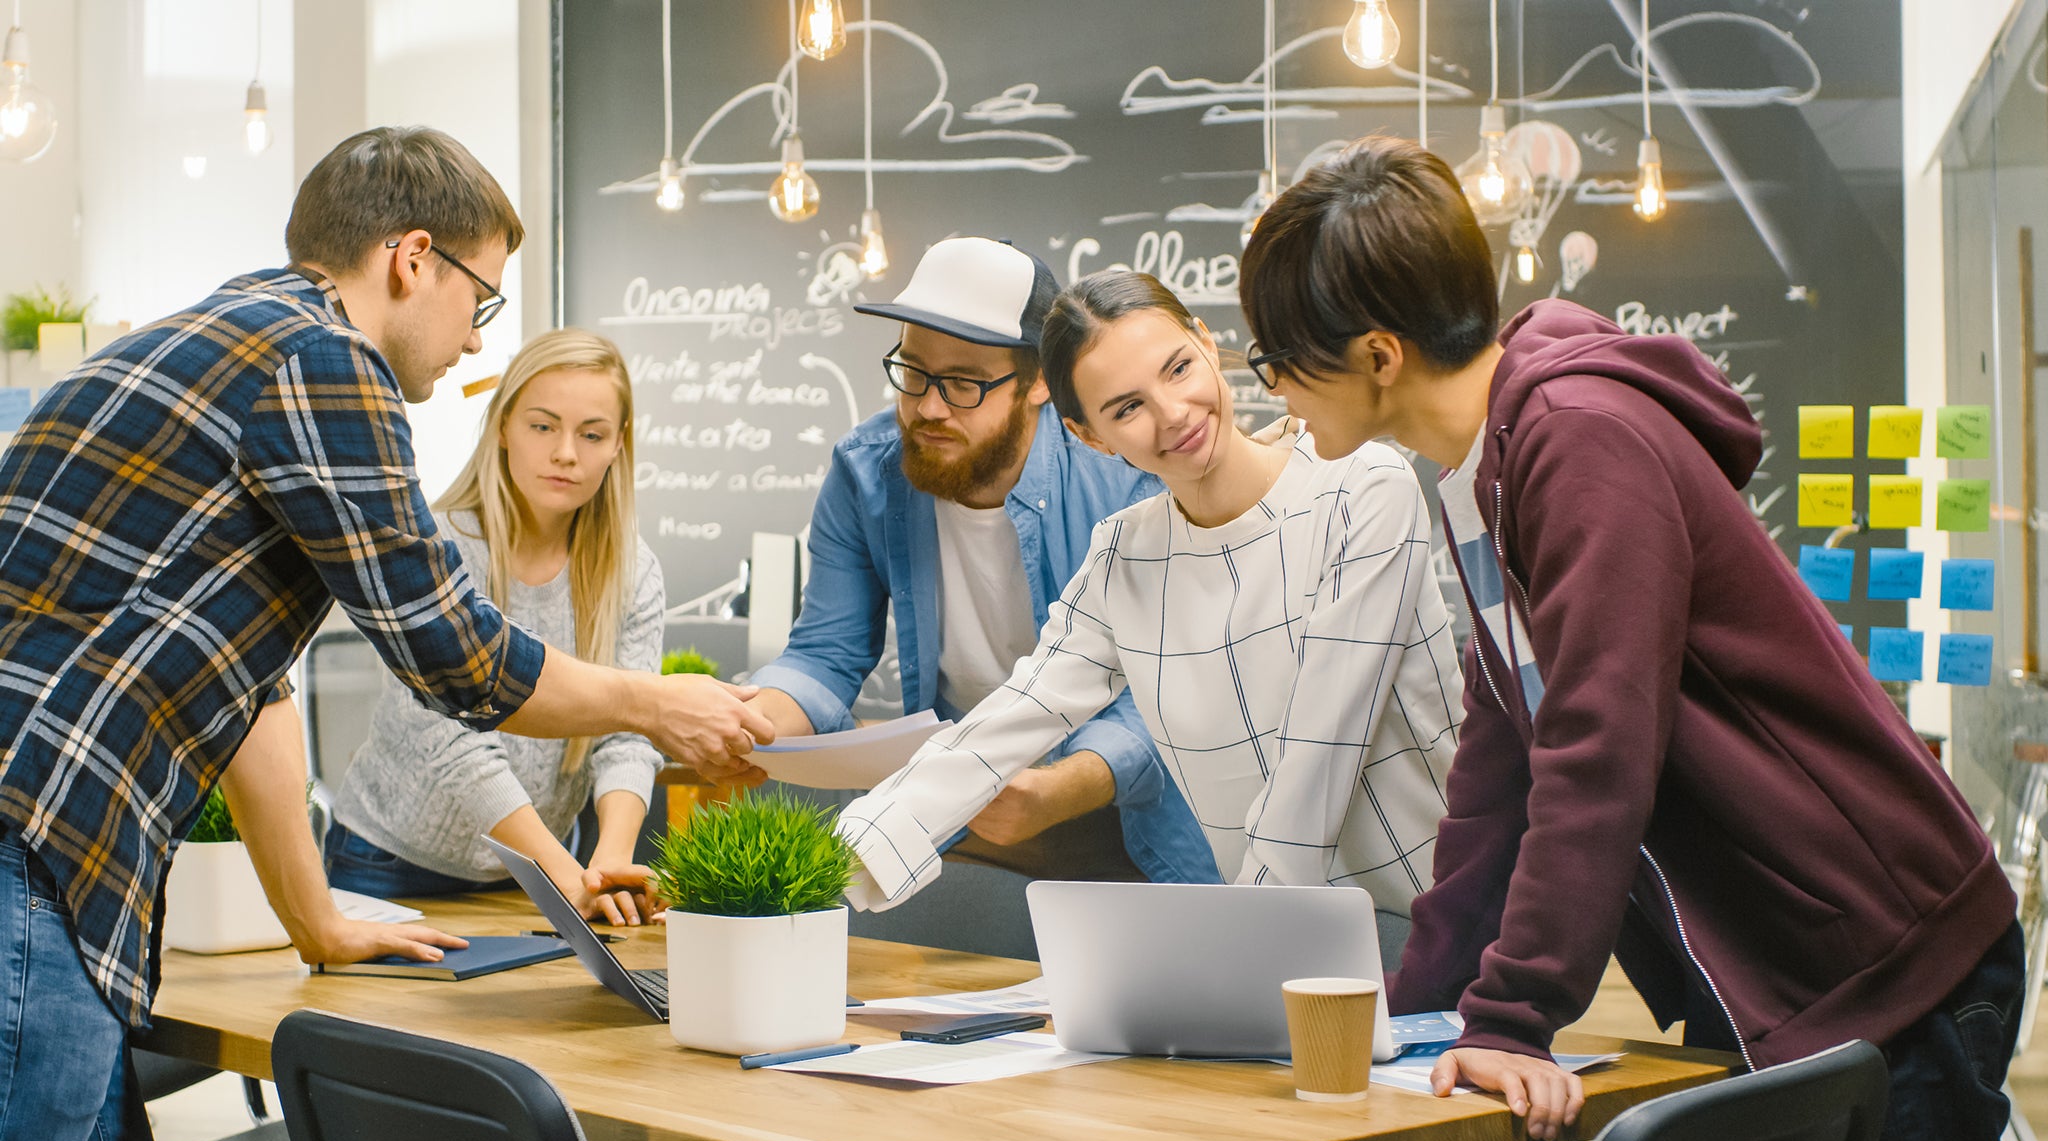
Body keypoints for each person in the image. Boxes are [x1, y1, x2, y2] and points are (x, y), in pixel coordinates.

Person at [1237, 134, 2022, 1141]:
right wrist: (1426, 1009)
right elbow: (1499, 770)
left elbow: (1598, 746)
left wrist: (1515, 1017)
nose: (1273, 394)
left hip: (1882, 952)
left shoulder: (1574, 438)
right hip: (1780, 963)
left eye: (1276, 361)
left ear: (1377, 355)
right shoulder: (1479, 475)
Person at [0, 126, 770, 1141]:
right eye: (479, 299)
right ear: (412, 259)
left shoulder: (218, 336)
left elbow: (253, 692)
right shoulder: (324, 362)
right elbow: (459, 661)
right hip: (30, 848)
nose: (475, 342)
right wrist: (657, 700)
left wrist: (312, 921)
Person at [834, 269, 1459, 922]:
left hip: (1433, 926)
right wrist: (852, 850)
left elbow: (1319, 759)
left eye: (1179, 368)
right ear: (1090, 436)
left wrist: (1248, 947)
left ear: (1205, 341)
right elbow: (1020, 711)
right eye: (1126, 407)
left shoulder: (1361, 491)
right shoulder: (1125, 555)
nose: (1173, 415)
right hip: (1281, 928)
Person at [735, 238, 1219, 886]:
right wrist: (748, 725)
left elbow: (1168, 690)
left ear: (1040, 382)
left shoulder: (1127, 475)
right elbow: (826, 652)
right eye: (913, 371)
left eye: (964, 383)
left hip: (1132, 817)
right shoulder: (866, 472)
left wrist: (1059, 788)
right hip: (968, 805)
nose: (928, 407)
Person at [325, 328, 663, 926]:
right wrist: (567, 875)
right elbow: (451, 738)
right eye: (543, 425)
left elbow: (629, 733)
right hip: (387, 866)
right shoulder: (437, 546)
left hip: (537, 874)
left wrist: (607, 868)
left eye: (592, 434)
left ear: (618, 446)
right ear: (503, 426)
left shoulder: (632, 572)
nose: (567, 452)